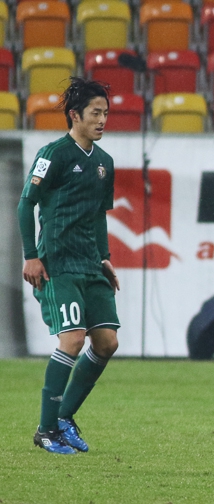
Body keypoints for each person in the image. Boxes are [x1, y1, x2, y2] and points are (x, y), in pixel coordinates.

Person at [18, 77, 119, 455]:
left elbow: (99, 215)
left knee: (107, 342)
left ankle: (63, 418)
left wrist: (105, 257)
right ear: (75, 115)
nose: (102, 120)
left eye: (105, 113)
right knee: (73, 339)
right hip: (58, 262)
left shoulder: (104, 163)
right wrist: (31, 255)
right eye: (95, 113)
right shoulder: (53, 154)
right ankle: (46, 430)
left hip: (90, 262)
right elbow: (26, 203)